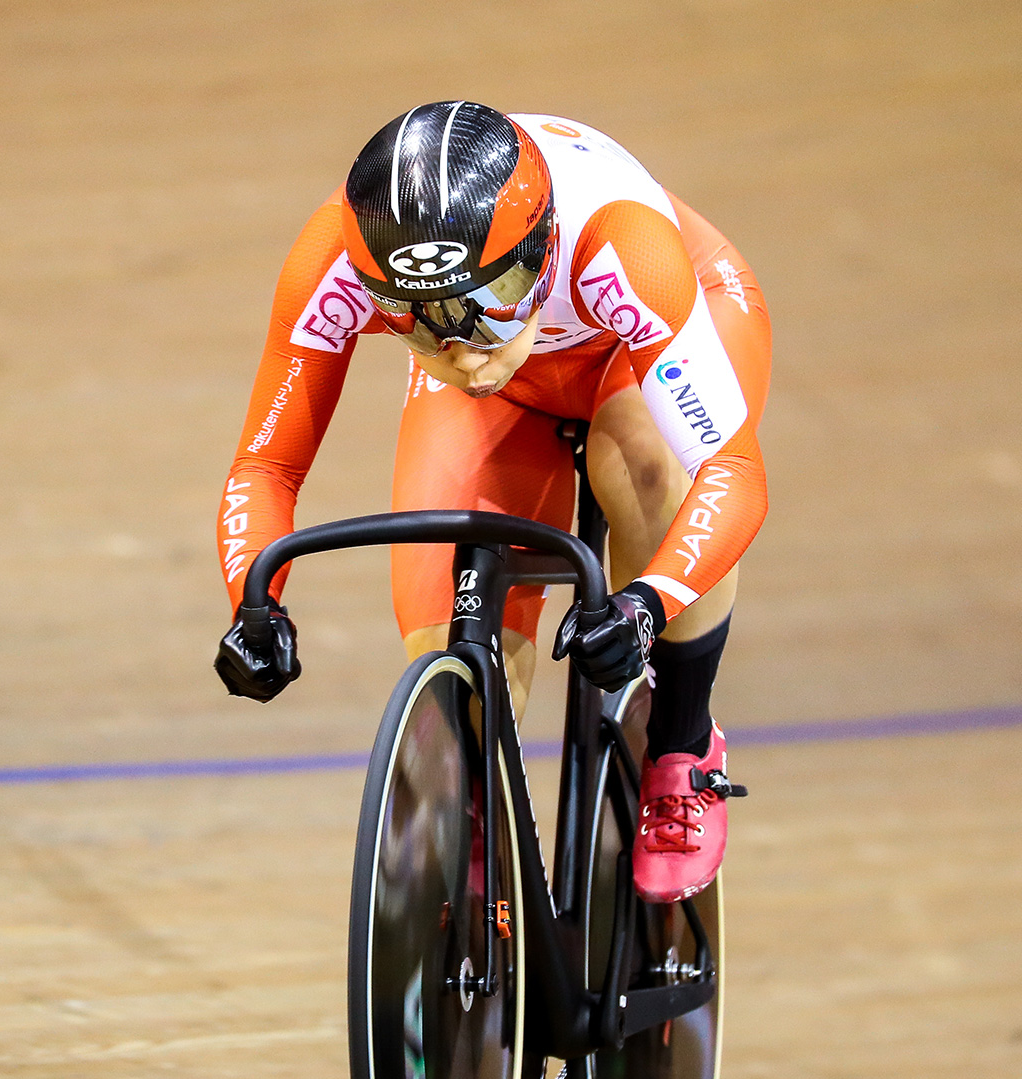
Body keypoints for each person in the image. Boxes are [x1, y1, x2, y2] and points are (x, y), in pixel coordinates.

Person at [213, 101, 769, 903]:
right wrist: (253, 606)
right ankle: (473, 845)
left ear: (540, 247)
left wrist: (650, 600)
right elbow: (263, 468)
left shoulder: (621, 243)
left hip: (644, 336)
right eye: (420, 322)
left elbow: (732, 475)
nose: (463, 350)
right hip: (531, 373)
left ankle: (682, 745)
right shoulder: (338, 259)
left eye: (490, 296)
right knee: (447, 645)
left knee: (647, 466)